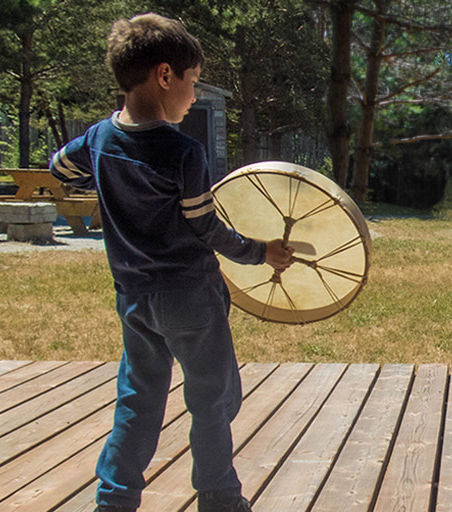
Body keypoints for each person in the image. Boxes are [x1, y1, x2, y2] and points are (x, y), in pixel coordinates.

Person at [49, 13, 294, 512]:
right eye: (194, 81)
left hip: (135, 300)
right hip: (190, 299)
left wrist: (103, 180)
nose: (194, 94)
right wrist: (260, 251)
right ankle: (220, 498)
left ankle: (114, 500)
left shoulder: (99, 138)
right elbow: (206, 229)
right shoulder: (183, 151)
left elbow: (59, 169)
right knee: (214, 398)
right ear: (165, 75)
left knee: (138, 400)